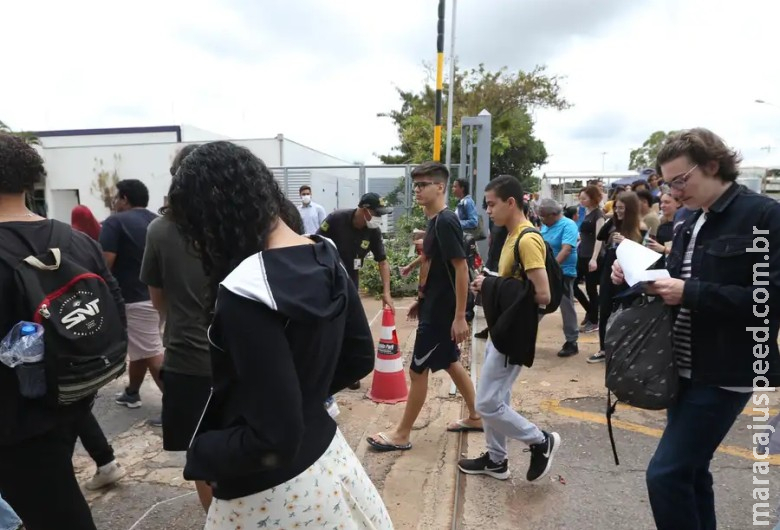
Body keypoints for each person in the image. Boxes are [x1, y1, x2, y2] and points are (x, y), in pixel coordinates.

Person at [167, 141, 392, 530]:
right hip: (330, 462)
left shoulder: (245, 291)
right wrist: (303, 396)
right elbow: (359, 357)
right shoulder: (325, 253)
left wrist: (200, 451)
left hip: (272, 495)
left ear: (213, 216)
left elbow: (275, 438)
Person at [611, 128, 780, 529]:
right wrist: (636, 273)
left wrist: (691, 292)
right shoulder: (689, 219)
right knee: (690, 471)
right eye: (668, 183)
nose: (674, 191)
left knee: (666, 475)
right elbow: (677, 276)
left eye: (680, 180)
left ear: (712, 165)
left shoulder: (762, 216)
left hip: (725, 370)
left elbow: (768, 298)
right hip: (682, 366)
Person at [0, 133, 125, 530]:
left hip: (13, 416)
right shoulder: (77, 240)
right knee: (52, 487)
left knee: (46, 505)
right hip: (75, 391)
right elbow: (115, 305)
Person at [367, 162, 482, 451]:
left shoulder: (445, 221)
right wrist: (420, 295)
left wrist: (459, 316)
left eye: (424, 184)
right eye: (416, 184)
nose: (417, 190)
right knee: (450, 361)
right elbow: (433, 259)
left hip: (442, 313)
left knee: (418, 371)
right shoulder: (434, 221)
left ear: (441, 187)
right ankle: (476, 415)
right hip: (434, 306)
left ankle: (401, 434)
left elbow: (461, 268)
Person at [458, 175, 560, 482]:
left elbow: (543, 294)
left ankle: (540, 441)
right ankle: (496, 460)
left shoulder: (527, 239)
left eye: (492, 204)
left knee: (487, 402)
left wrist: (490, 285)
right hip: (502, 327)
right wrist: (489, 283)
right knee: (496, 399)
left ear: (510, 202)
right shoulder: (511, 235)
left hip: (514, 332)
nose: (488, 211)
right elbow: (513, 282)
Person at [139, 144, 214, 511]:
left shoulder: (161, 230)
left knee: (200, 454)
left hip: (188, 358)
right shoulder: (241, 225)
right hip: (243, 356)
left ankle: (217, 519)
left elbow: (158, 300)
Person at [317, 192, 395, 390]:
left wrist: (387, 291)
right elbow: (316, 243)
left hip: (350, 284)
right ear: (364, 209)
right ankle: (322, 369)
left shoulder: (373, 231)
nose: (379, 218)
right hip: (328, 282)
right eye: (376, 213)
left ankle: (348, 372)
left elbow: (383, 261)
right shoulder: (336, 220)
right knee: (327, 327)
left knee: (350, 328)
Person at [101, 179, 163, 412]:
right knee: (142, 350)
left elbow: (105, 263)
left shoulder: (115, 222)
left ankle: (180, 409)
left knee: (152, 352)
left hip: (133, 298)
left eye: (117, 198)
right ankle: (132, 392)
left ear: (125, 199)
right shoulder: (157, 221)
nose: (115, 202)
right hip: (159, 297)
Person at [588, 191, 647, 364]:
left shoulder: (640, 228)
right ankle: (603, 348)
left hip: (627, 273)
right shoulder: (613, 223)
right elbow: (600, 237)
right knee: (604, 307)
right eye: (616, 208)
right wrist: (612, 221)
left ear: (631, 209)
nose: (618, 211)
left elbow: (643, 253)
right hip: (609, 269)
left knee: (626, 309)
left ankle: (625, 348)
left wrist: (626, 242)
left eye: (622, 208)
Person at [538, 199, 580, 357]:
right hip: (546, 271)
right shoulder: (546, 225)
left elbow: (566, 249)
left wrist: (552, 270)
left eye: (544, 216)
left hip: (563, 272)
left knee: (566, 305)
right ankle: (524, 334)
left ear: (554, 214)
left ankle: (572, 341)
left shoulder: (568, 225)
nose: (541, 219)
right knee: (540, 302)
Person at [572, 185, 604, 333]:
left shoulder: (598, 214)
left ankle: (594, 320)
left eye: (584, 198)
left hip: (592, 256)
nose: (582, 200)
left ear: (593, 198)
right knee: (574, 285)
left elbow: (600, 238)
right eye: (581, 198)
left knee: (591, 289)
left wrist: (594, 258)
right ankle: (591, 312)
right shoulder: (587, 212)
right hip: (582, 254)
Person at [645, 192, 680, 261]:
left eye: (667, 202)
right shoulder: (662, 226)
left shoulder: (683, 226)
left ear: (678, 203)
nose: (662, 206)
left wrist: (663, 249)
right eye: (661, 203)